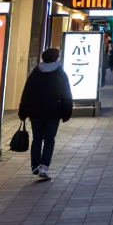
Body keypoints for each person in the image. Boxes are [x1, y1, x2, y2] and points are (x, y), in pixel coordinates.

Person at [17, 48, 73, 181]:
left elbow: (26, 93)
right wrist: (66, 112)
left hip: (35, 111)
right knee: (49, 139)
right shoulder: (60, 74)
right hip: (53, 112)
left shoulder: (35, 73)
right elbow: (66, 95)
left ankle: (35, 164)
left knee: (37, 138)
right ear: (56, 58)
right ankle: (44, 167)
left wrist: (23, 111)